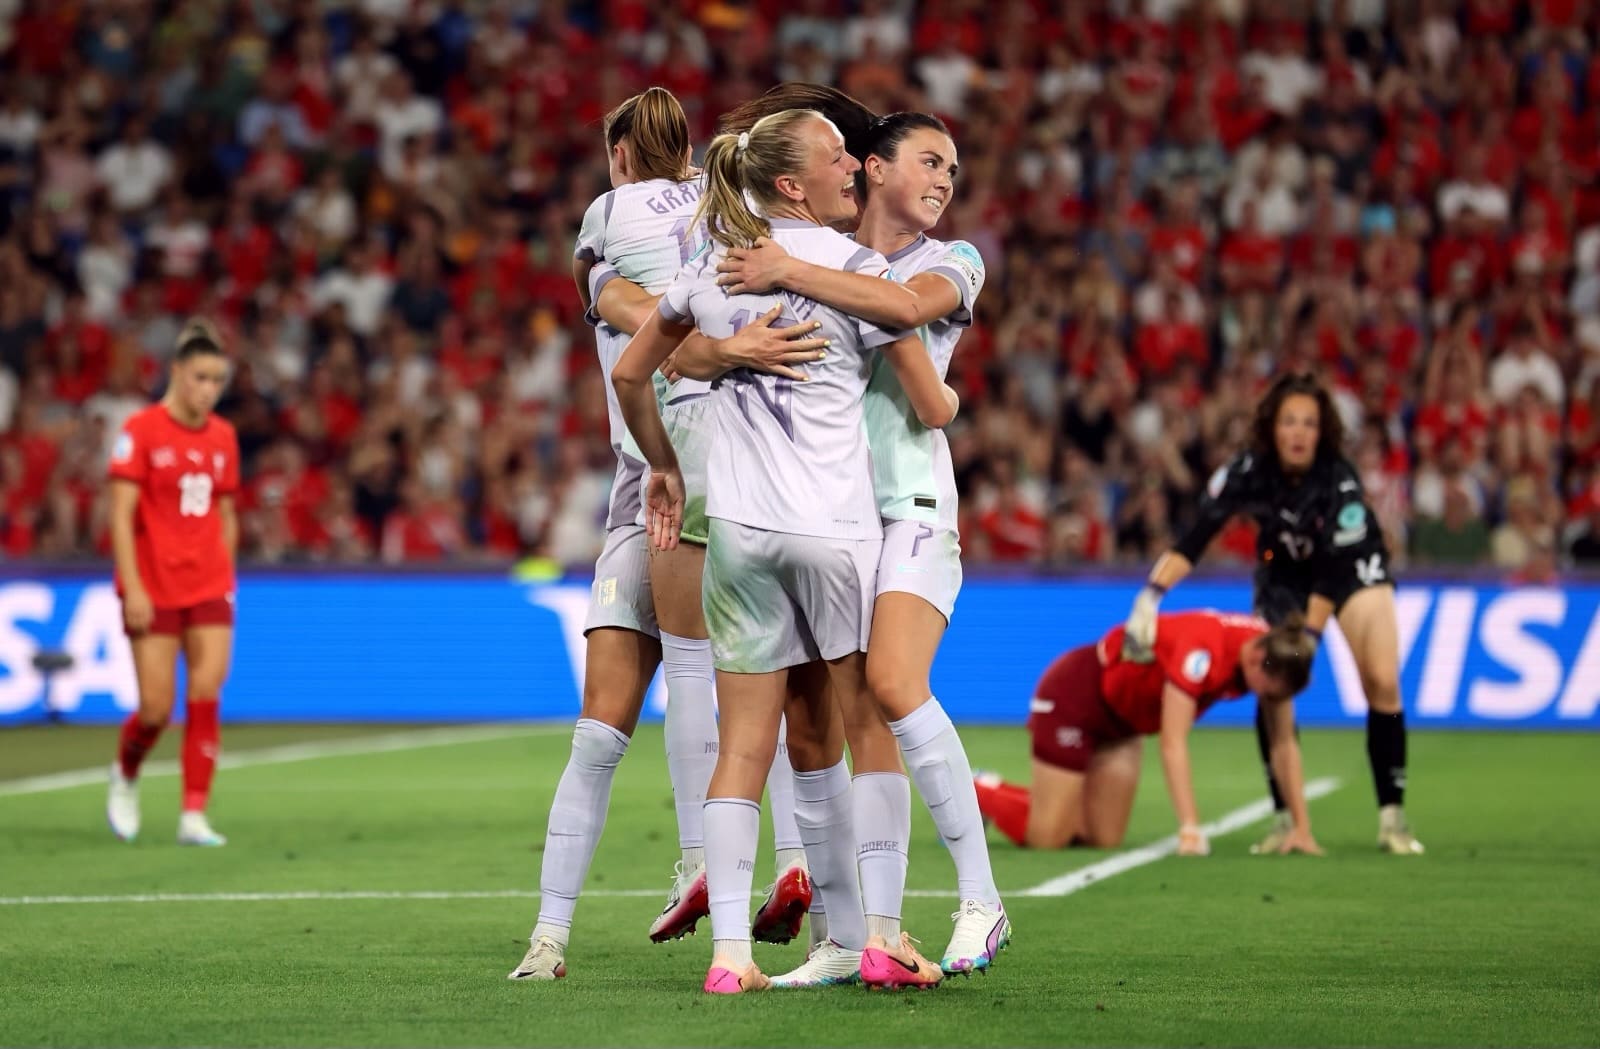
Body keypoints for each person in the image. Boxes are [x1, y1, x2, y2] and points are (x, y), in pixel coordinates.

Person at [612, 107, 958, 994]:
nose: (854, 163)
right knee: (864, 727)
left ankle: (731, 958)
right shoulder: (850, 264)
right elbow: (907, 325)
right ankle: (879, 933)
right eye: (836, 155)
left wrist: (663, 462)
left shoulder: (713, 266)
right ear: (794, 184)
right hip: (832, 531)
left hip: (739, 538)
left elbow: (631, 370)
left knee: (747, 742)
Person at [509, 89, 826, 982]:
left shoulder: (608, 213)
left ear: (618, 156)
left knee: (614, 721)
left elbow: (623, 307)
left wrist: (705, 346)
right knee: (773, 682)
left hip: (668, 466)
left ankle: (567, 930)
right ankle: (802, 862)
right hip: (743, 469)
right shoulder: (727, 208)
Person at [705, 107, 1008, 978]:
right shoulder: (800, 256)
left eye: (954, 166)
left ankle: (980, 900)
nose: (947, 178)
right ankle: (843, 937)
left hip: (908, 506)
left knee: (892, 683)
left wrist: (788, 269)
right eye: (929, 159)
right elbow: (682, 349)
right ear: (871, 168)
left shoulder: (952, 262)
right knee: (810, 733)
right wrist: (735, 344)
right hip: (816, 516)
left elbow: (908, 319)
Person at [1121, 373, 1424, 855]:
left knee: (1383, 679)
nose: (1299, 433)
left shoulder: (1339, 476)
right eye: (1289, 422)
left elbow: (1331, 565)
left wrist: (1310, 634)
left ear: (1322, 431)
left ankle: (1393, 818)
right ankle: (1287, 822)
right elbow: (1196, 538)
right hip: (1282, 574)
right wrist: (1150, 595)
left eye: (1309, 423)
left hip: (1351, 569)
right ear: (1272, 428)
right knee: (1271, 684)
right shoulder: (1247, 471)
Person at [974, 610, 1322, 855]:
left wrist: (1302, 827)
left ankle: (1044, 804)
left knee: (1102, 837)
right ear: (1256, 657)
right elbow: (1173, 742)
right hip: (1075, 698)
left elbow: (1284, 742)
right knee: (1047, 838)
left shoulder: (1273, 652)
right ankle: (980, 790)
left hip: (1124, 726)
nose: (1268, 700)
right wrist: (1190, 828)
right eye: (1270, 692)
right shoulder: (1202, 651)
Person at [106, 317, 239, 848]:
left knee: (206, 691)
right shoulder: (138, 431)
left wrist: (222, 567)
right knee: (157, 708)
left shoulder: (224, 437)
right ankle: (126, 772)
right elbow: (120, 517)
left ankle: (193, 815)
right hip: (154, 583)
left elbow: (227, 511)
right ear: (177, 372)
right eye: (201, 378)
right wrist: (133, 587)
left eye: (218, 382)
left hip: (208, 582)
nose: (209, 390)